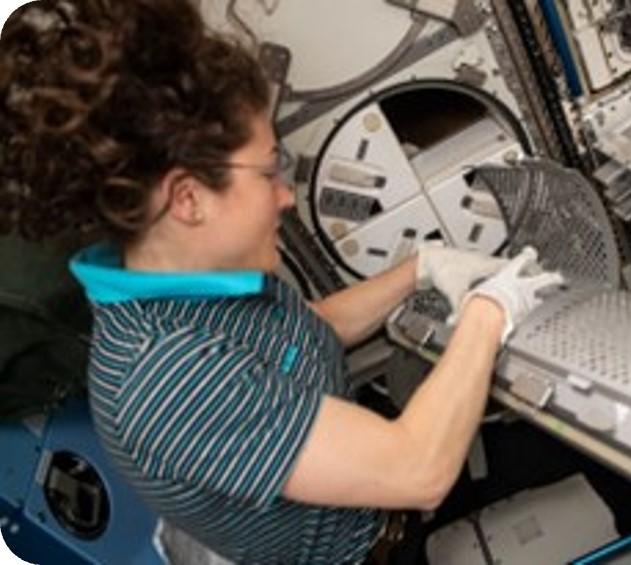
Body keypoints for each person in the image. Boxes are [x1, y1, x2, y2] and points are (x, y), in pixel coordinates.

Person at [0, 1, 575, 562]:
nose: (284, 194)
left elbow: (308, 331)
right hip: (372, 543)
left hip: (375, 470)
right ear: (188, 199)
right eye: (269, 170)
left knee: (581, 450)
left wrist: (420, 268)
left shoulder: (186, 277)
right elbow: (417, 469)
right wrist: (489, 311)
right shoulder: (165, 372)